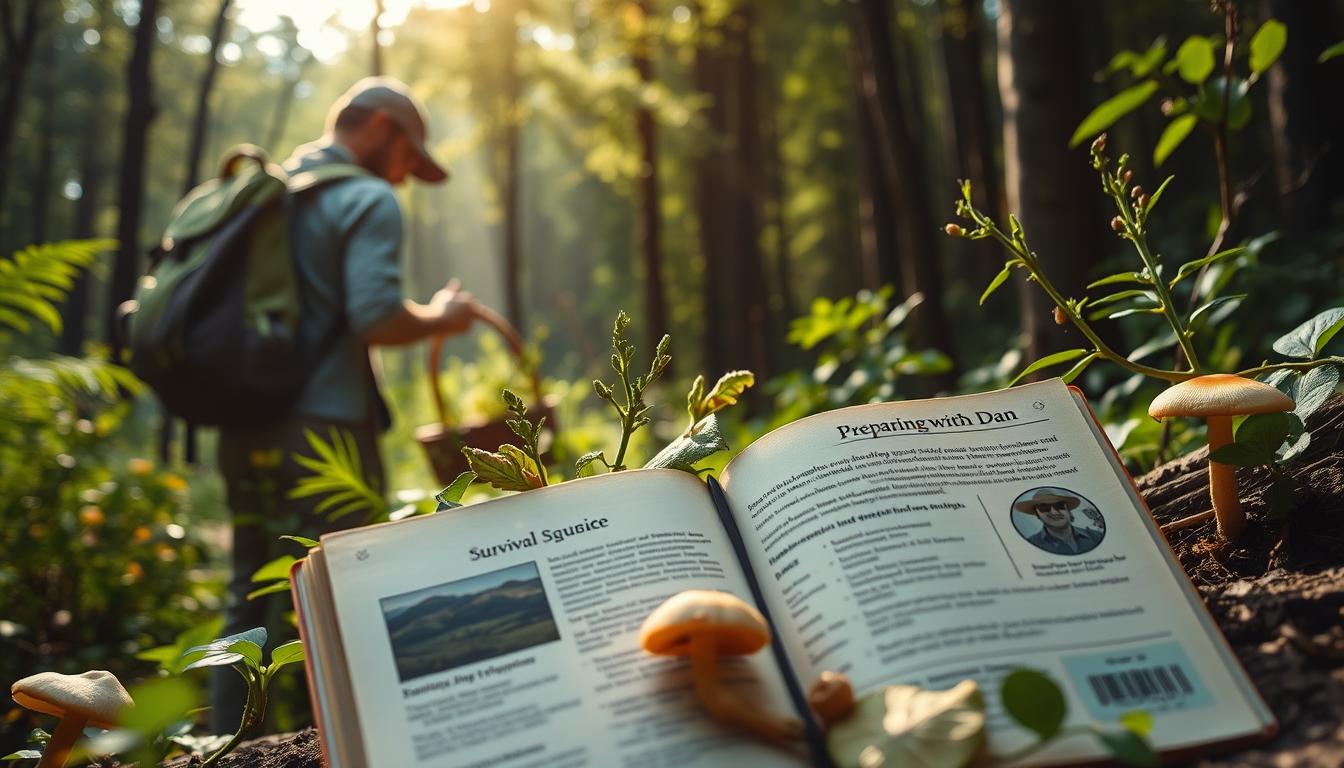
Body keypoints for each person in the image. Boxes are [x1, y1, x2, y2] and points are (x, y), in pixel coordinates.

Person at [210, 77, 476, 731]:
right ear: (382, 128)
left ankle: (217, 744)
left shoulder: (261, 195)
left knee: (248, 596)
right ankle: (371, 741)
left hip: (241, 424)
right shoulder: (366, 198)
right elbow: (378, 315)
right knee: (353, 587)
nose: (408, 176)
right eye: (409, 157)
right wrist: (441, 316)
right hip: (324, 429)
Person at [1014, 488, 1104, 556]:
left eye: (1059, 506)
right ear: (1037, 515)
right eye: (1044, 508)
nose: (1054, 512)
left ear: (1068, 510)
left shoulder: (1096, 536)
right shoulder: (1031, 545)